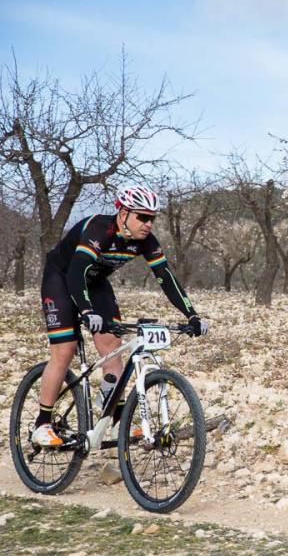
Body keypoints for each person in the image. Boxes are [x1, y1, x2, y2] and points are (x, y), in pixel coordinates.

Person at [33, 186, 209, 447]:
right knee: (65, 349)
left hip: (96, 283)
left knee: (113, 350)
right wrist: (86, 311)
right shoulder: (99, 230)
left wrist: (192, 315)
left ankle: (116, 422)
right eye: (142, 217)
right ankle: (42, 424)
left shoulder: (146, 240)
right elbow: (76, 271)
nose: (148, 224)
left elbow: (166, 278)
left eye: (152, 218)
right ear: (123, 213)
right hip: (62, 277)